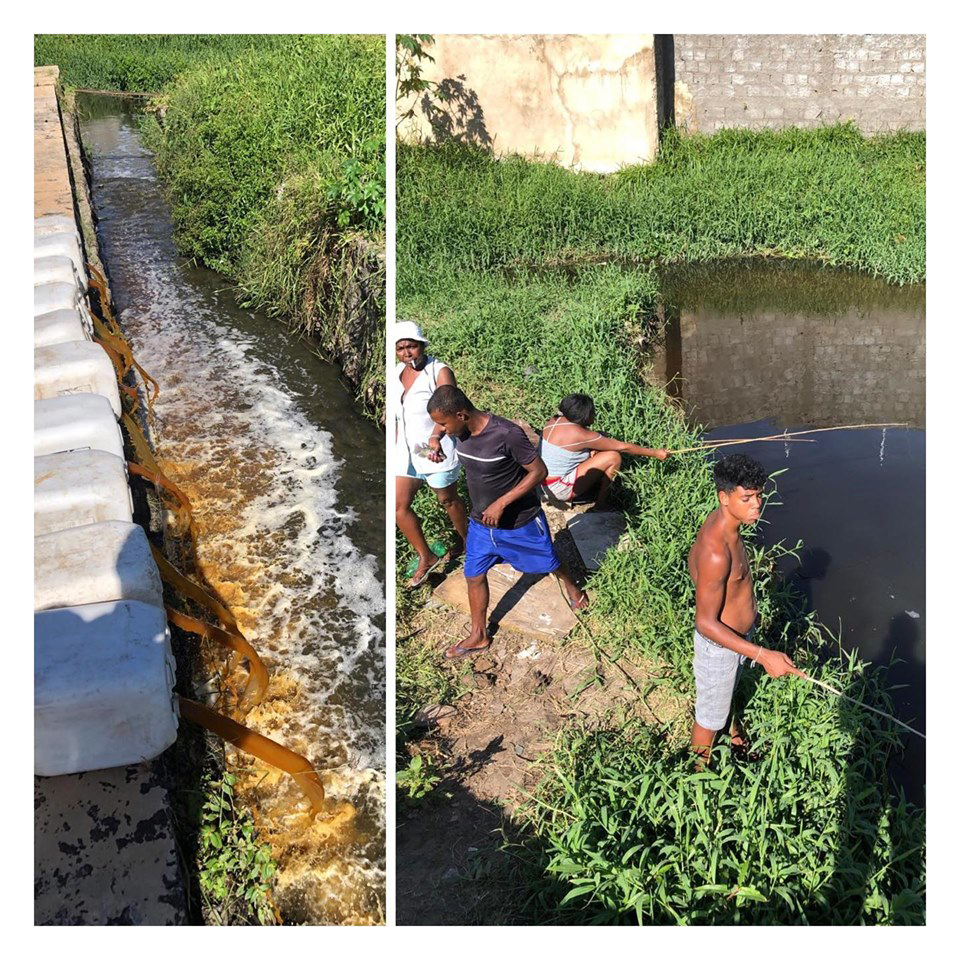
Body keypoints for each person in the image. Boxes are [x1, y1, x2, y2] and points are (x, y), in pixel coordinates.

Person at [426, 385, 588, 659]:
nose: (441, 428)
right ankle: (479, 635)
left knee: (548, 562)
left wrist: (501, 503)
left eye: (443, 424)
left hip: (519, 522)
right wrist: (435, 439)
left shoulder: (506, 434)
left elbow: (539, 471)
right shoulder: (457, 429)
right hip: (481, 524)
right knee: (473, 575)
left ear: (461, 415)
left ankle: (571, 586)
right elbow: (440, 427)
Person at [688, 453, 805, 763]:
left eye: (759, 496)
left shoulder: (725, 524)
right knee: (708, 720)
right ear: (724, 497)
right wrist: (763, 655)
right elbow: (705, 622)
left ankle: (734, 729)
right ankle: (696, 773)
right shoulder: (716, 552)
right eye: (747, 498)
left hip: (739, 639)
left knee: (729, 693)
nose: (757, 505)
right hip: (719, 648)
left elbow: (692, 559)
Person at [393, 322, 468, 587]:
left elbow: (449, 409)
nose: (407, 353)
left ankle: (469, 543)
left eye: (412, 346)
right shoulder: (397, 372)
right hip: (408, 449)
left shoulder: (439, 371)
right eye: (401, 348)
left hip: (435, 446)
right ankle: (426, 557)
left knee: (447, 499)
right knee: (398, 506)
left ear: (422, 345)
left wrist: (436, 437)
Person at [539, 393, 670, 507]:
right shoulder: (580, 434)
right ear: (584, 415)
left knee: (600, 440)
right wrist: (656, 453)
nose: (594, 415)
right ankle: (601, 505)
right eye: (592, 412)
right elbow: (623, 447)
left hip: (544, 483)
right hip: (559, 489)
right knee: (613, 457)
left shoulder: (554, 420)